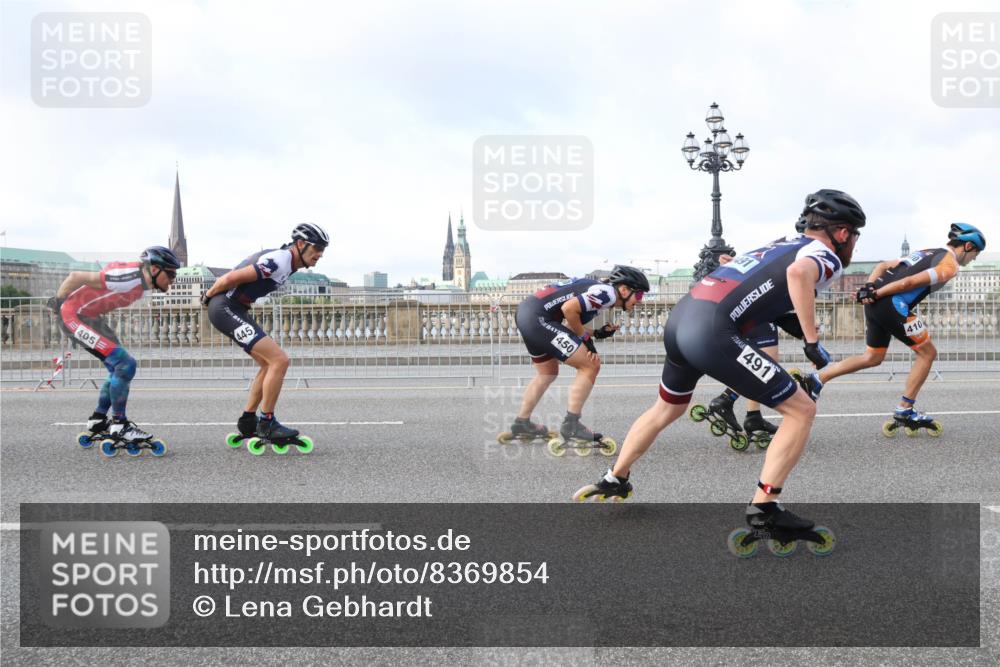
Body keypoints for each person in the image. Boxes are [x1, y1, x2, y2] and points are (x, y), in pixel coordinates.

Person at [574, 189, 865, 547]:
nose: (853, 244)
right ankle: (766, 507)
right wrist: (810, 341)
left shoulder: (780, 243)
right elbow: (798, 274)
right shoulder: (822, 253)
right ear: (841, 233)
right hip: (711, 330)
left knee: (667, 407)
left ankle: (615, 478)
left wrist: (789, 322)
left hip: (683, 318)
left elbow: (763, 291)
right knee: (802, 409)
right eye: (855, 236)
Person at [806, 222, 985, 434]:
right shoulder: (949, 265)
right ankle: (905, 409)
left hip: (876, 305)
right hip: (892, 304)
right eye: (976, 253)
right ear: (967, 247)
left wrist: (869, 288)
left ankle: (817, 379)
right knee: (928, 353)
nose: (975, 258)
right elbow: (908, 282)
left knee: (873, 357)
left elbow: (882, 266)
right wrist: (877, 294)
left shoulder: (926, 252)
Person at [202, 223, 328, 448]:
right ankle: (267, 422)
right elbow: (230, 278)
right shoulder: (279, 260)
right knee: (279, 360)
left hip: (233, 308)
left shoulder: (289, 264)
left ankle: (248, 419)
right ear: (300, 244)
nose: (320, 254)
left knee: (268, 363)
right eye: (316, 248)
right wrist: (208, 296)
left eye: (323, 249)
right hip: (224, 307)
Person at [49, 246, 180, 449]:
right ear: (155, 270)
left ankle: (98, 420)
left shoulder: (141, 282)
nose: (173, 279)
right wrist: (58, 303)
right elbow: (75, 276)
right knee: (125, 364)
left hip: (90, 318)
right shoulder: (128, 277)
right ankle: (120, 425)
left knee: (116, 368)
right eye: (171, 273)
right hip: (74, 316)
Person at [508, 265, 649, 447]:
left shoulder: (597, 289)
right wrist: (585, 339)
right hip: (538, 319)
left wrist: (596, 334)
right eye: (638, 295)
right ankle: (572, 425)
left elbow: (567, 325)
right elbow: (569, 309)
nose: (640, 301)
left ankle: (522, 423)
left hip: (528, 314)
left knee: (547, 372)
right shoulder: (608, 294)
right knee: (590, 365)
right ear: (623, 289)